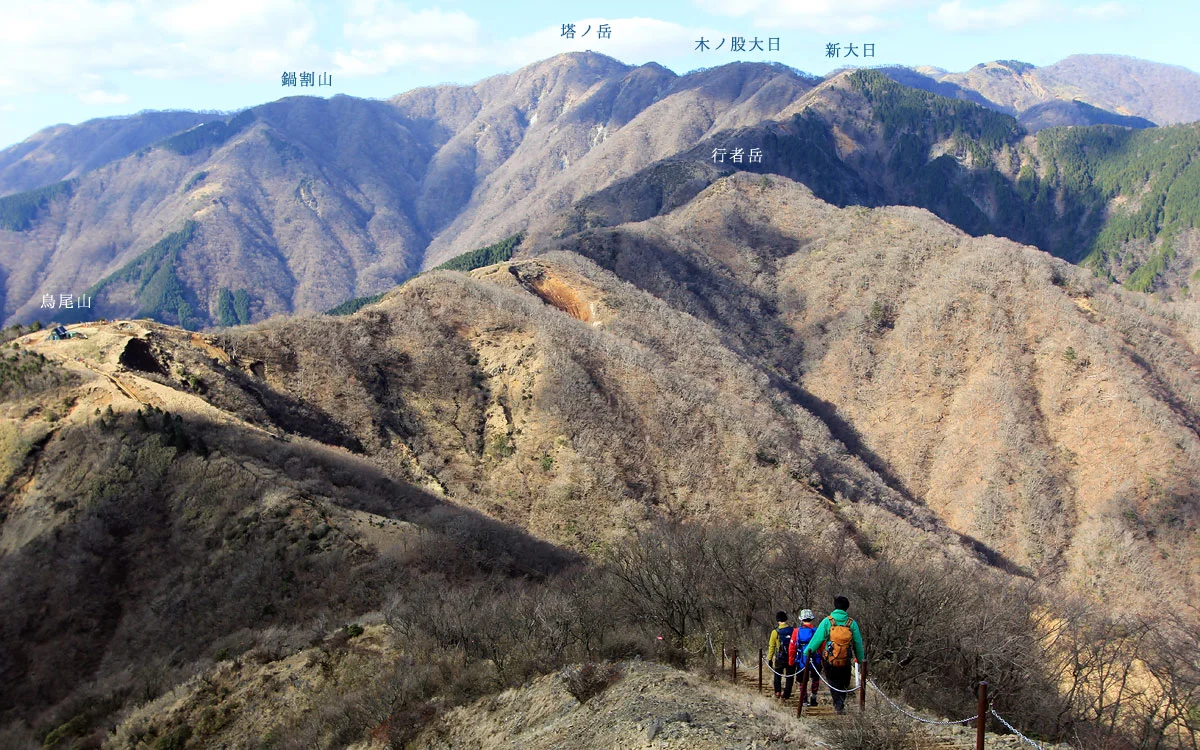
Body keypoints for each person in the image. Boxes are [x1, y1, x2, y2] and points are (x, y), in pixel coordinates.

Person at [803, 596, 865, 714]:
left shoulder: (828, 621)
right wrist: (861, 661)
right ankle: (840, 703)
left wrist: (807, 652)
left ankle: (837, 704)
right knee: (844, 682)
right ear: (847, 607)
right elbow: (858, 643)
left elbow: (818, 639)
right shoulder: (852, 623)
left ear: (835, 606)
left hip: (830, 659)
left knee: (833, 681)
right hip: (845, 659)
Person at [788, 609, 821, 706]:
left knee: (802, 681)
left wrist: (791, 661)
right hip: (815, 659)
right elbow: (821, 646)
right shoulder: (816, 631)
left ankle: (804, 699)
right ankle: (814, 698)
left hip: (802, 660)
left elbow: (792, 647)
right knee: (815, 679)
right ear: (811, 619)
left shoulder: (796, 631)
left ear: (801, 619)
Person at [767, 611, 796, 699]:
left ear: (777, 620)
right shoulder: (793, 630)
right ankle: (786, 694)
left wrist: (770, 658)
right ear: (786, 619)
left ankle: (777, 692)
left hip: (780, 657)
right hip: (791, 657)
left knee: (777, 675)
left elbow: (771, 646)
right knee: (790, 675)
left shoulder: (775, 632)